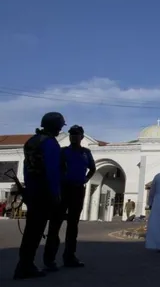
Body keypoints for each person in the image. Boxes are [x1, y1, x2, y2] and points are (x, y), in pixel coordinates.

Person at [14, 112, 65, 280]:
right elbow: (52, 170)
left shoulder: (32, 140)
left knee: (31, 230)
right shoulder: (50, 143)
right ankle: (25, 266)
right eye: (59, 126)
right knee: (36, 230)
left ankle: (24, 264)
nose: (59, 130)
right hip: (44, 191)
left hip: (32, 188)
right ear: (54, 126)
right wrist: (55, 192)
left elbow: (26, 167)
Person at [43, 125, 96, 271]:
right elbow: (56, 168)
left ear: (81, 137)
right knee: (55, 224)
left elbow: (93, 168)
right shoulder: (63, 152)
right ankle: (50, 259)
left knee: (73, 226)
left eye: (76, 134)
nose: (73, 136)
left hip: (78, 189)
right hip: (64, 189)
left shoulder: (86, 153)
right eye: (71, 134)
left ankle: (69, 257)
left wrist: (86, 179)